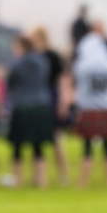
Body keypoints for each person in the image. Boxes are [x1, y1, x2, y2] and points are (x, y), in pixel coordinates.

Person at [73, 28, 107, 187]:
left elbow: (78, 83)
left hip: (88, 109)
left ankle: (83, 181)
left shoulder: (82, 65)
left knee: (87, 146)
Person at [6, 35, 54, 187]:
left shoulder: (17, 63)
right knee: (38, 146)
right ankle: (41, 180)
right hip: (41, 104)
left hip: (22, 106)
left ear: (22, 47)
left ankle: (18, 181)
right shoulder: (42, 61)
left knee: (18, 145)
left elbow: (10, 82)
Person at [30, 26, 69, 185]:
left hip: (50, 96)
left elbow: (61, 80)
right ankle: (39, 176)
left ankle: (63, 175)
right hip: (38, 97)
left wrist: (62, 101)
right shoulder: (32, 57)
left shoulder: (52, 56)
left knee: (56, 139)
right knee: (36, 139)